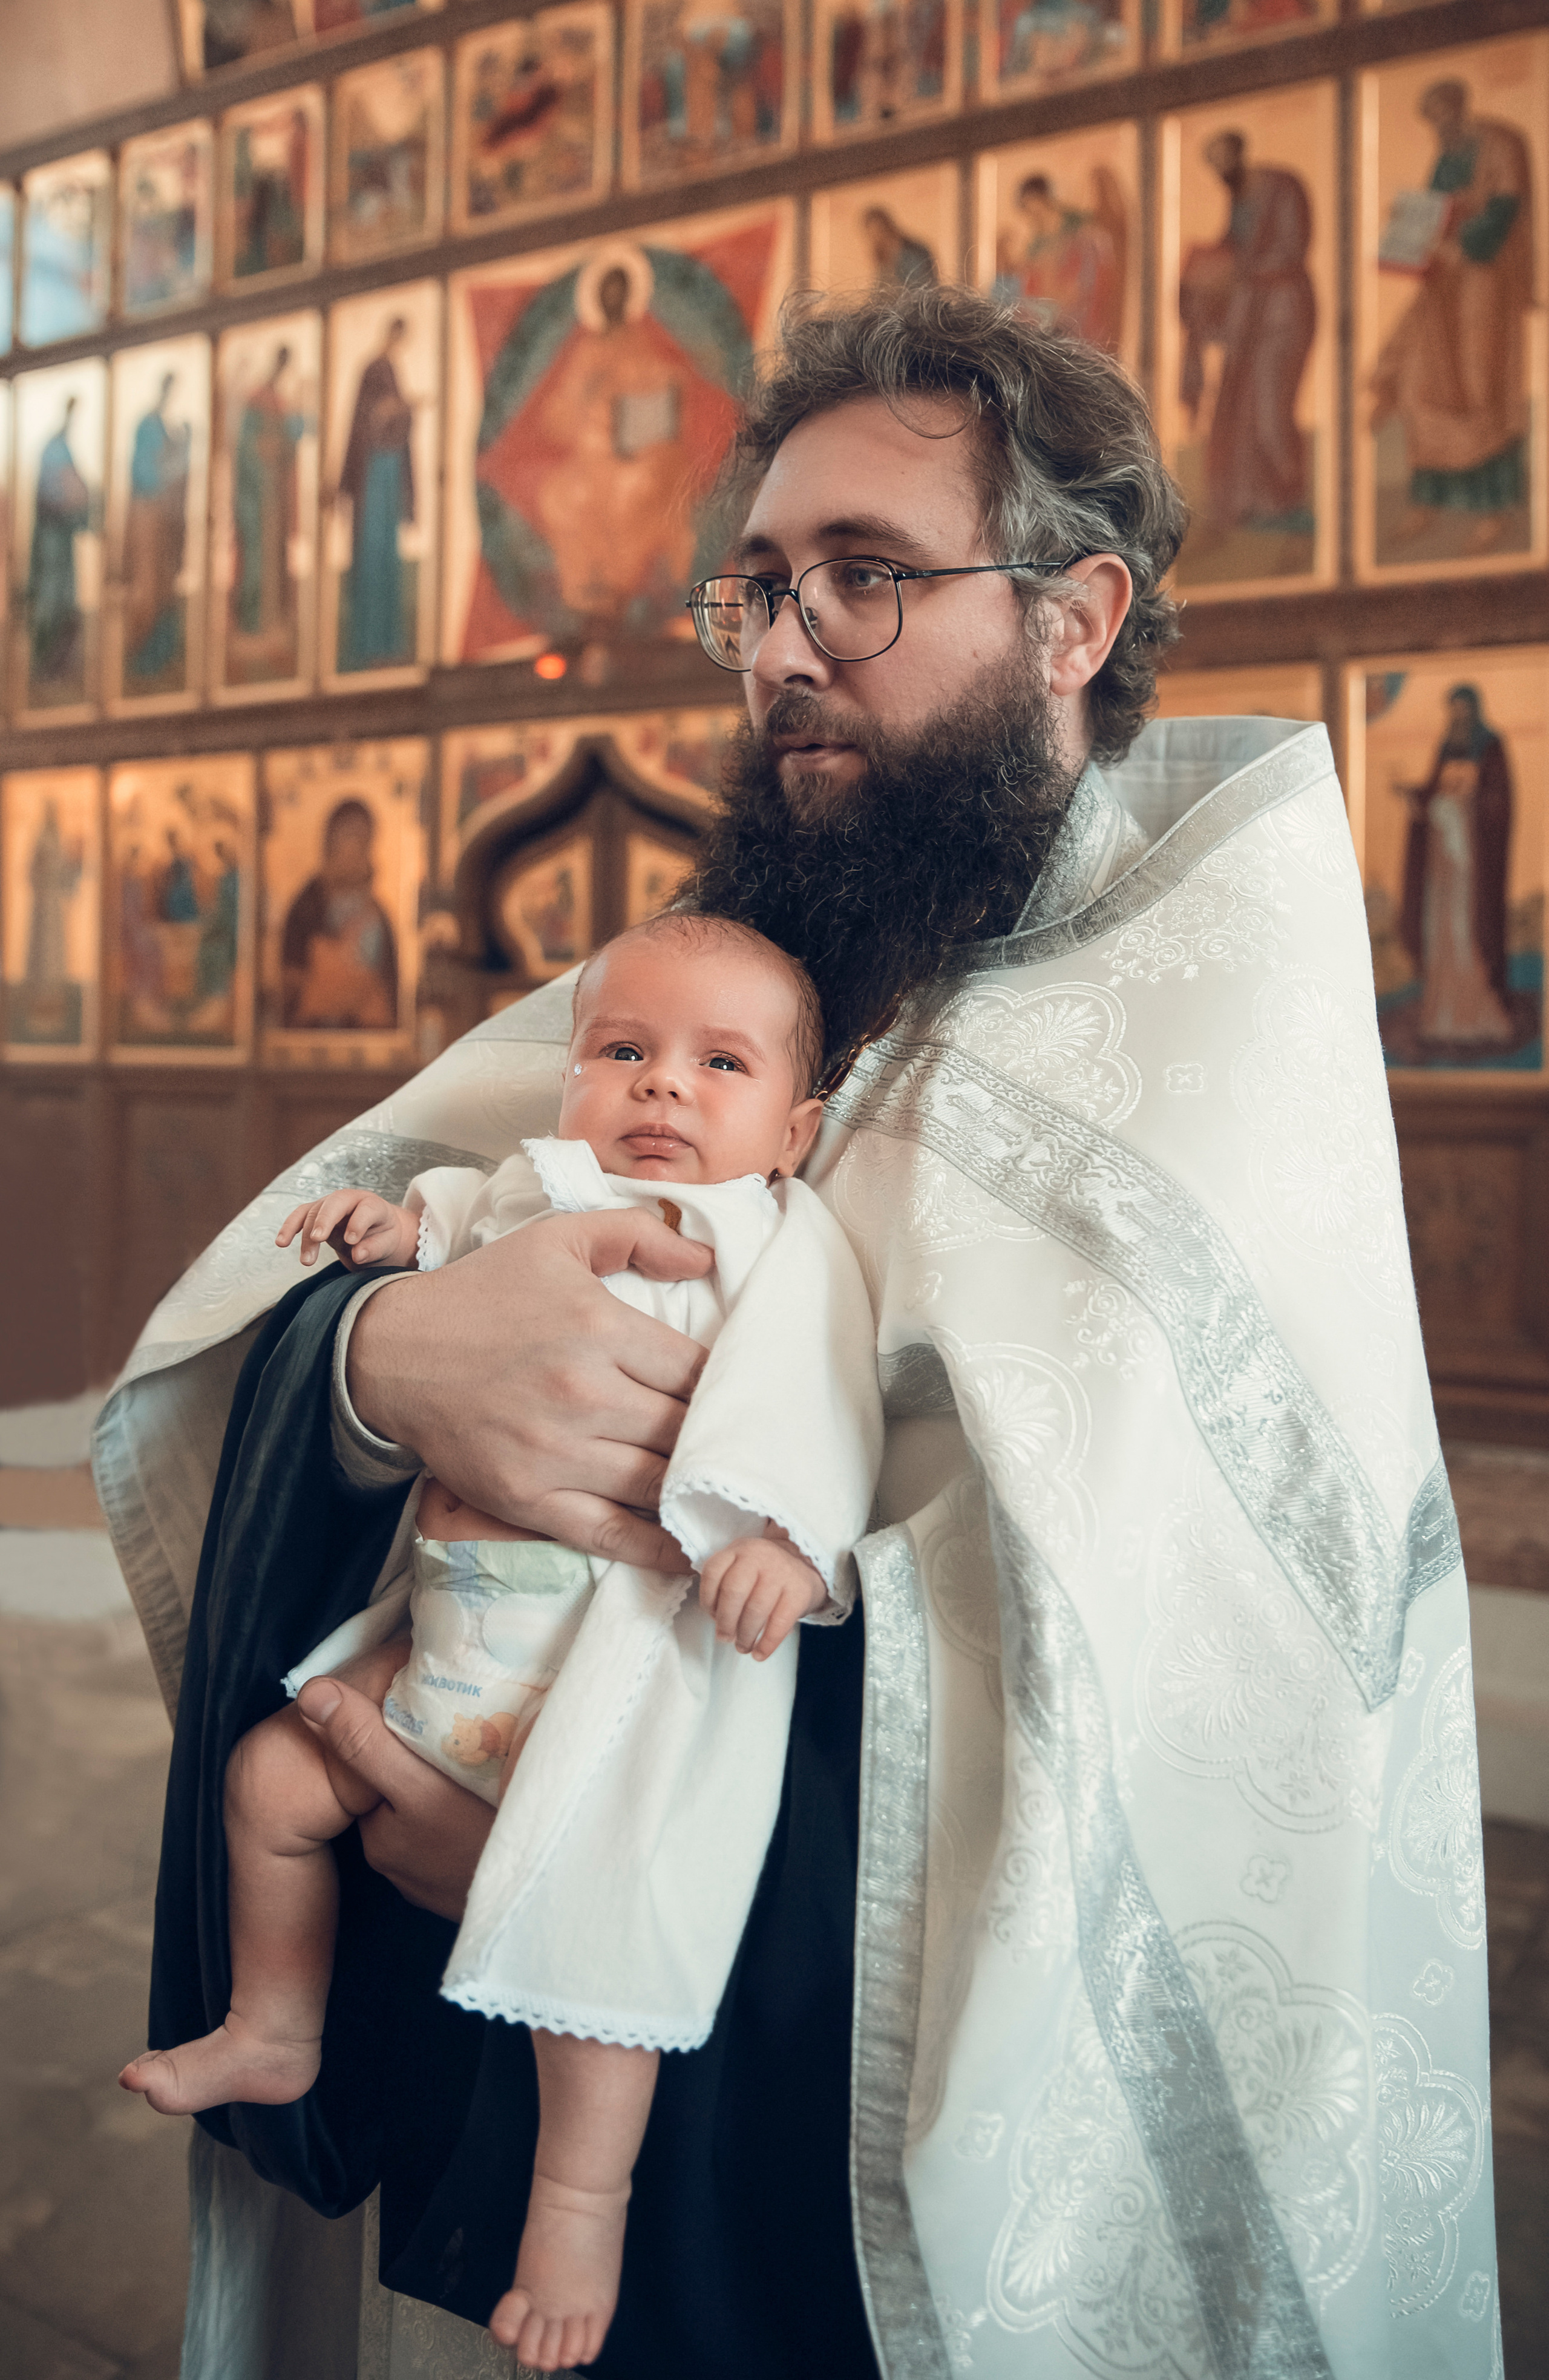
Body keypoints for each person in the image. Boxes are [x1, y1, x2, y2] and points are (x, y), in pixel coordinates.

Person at [96, 285, 1496, 2380]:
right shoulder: (751, 986)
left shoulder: (1203, 1060)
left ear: (1076, 615)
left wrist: (557, 1822)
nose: (784, 647)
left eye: (867, 577)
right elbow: (296, 1308)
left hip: (845, 2178)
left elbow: (1173, 1744)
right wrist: (387, 1372)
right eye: (756, 586)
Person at [122, 912, 880, 2378]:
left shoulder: (776, 1243)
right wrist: (389, 1250)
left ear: (793, 1128)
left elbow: (819, 1397)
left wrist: (790, 1543)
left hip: (602, 1689)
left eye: (714, 1064)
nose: (660, 1087)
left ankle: (576, 2207)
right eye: (622, 1051)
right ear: (568, 1076)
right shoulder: (541, 1182)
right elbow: (449, 1224)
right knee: (274, 1783)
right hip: (442, 1658)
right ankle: (273, 2018)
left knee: (588, 1965)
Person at [1372, 79, 1534, 557]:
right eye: (1432, 120)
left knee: (1479, 385)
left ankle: (1495, 507)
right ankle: (1429, 501)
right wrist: (1409, 230)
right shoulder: (1447, 154)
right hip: (1444, 281)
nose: (1439, 127)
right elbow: (1436, 208)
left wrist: (1463, 242)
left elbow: (1505, 208)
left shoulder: (1500, 144)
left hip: (1486, 281)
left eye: (1443, 116)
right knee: (1423, 381)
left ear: (1460, 107)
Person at [1179, 129, 1315, 536]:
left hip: (1282, 315)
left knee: (1272, 409)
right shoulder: (1239, 199)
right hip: (1248, 319)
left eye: (1223, 159)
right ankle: (1252, 504)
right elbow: (1233, 248)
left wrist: (1233, 271)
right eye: (1213, 165)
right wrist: (1204, 273)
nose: (1220, 171)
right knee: (1239, 412)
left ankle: (1287, 501)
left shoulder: (1281, 187)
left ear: (1241, 153)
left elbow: (1290, 249)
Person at [1394, 681, 1515, 1049]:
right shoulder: (1446, 747)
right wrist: (1415, 796)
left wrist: (1467, 808)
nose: (1458, 717)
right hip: (1442, 863)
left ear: (1475, 711)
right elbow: (1434, 792)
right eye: (1454, 711)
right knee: (1441, 929)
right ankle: (1441, 1017)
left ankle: (1473, 1014)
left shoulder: (1491, 747)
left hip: (1471, 867)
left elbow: (1499, 802)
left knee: (1467, 929)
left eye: (1464, 710)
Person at [336, 316, 415, 672]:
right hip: (372, 473)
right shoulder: (373, 369)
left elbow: (394, 418)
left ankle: (387, 643)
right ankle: (367, 644)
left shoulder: (392, 369)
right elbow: (367, 417)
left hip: (388, 467)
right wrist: (396, 410)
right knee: (370, 556)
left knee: (387, 557)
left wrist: (403, 412)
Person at [280, 797, 398, 1030]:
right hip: (313, 1033)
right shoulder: (306, 907)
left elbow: (389, 988)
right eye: (348, 836)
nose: (356, 848)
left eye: (363, 840)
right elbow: (290, 981)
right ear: (330, 842)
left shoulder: (378, 914)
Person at [28, 394, 91, 692]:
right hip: (51, 537)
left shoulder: (64, 447)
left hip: (62, 539)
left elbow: (78, 488)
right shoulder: (53, 448)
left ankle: (57, 671)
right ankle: (44, 671)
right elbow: (63, 488)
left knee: (67, 604)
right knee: (51, 603)